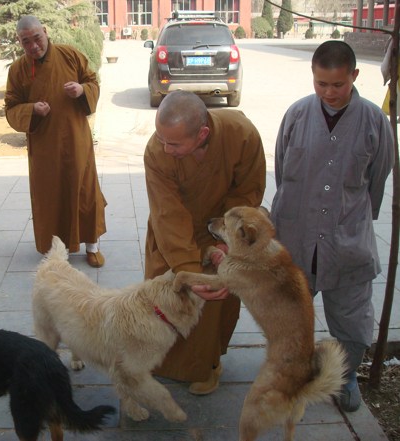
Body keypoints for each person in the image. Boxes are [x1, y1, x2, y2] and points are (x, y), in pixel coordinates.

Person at [270, 40, 395, 412]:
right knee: (290, 318)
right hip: (296, 237)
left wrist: (350, 216)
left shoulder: (374, 121)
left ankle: (345, 377)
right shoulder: (296, 115)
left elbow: (378, 177)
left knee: (353, 320)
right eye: (321, 83)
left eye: (337, 84)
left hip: (347, 241)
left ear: (354, 77)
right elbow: (281, 171)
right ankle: (291, 375)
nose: (329, 92)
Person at [144, 90, 266, 394]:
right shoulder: (157, 151)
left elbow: (248, 190)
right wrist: (187, 268)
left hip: (222, 227)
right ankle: (158, 358)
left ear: (202, 134)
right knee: (167, 294)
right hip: (173, 233)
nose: (165, 148)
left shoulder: (242, 135)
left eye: (174, 143)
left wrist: (229, 236)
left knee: (215, 303)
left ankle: (208, 364)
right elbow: (167, 212)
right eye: (161, 138)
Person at [4, 15, 107, 267]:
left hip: (76, 139)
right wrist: (31, 110)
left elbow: (92, 80)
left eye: (36, 38)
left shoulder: (70, 55)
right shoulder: (18, 70)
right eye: (25, 42)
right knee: (51, 196)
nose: (33, 46)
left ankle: (92, 245)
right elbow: (11, 108)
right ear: (20, 41)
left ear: (46, 32)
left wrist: (83, 90)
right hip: (44, 147)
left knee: (85, 192)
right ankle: (58, 249)